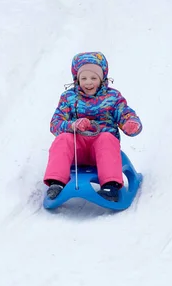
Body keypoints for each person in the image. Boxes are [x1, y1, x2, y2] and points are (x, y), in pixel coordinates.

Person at [43, 51, 143, 202]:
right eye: (83, 78)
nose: (88, 82)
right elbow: (55, 123)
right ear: (76, 79)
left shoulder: (113, 97)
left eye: (93, 78)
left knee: (107, 139)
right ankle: (56, 183)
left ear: (102, 79)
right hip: (77, 151)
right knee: (63, 139)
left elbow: (124, 113)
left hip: (102, 150)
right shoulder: (68, 98)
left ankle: (110, 185)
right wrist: (73, 125)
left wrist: (131, 124)